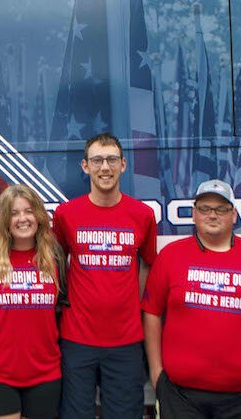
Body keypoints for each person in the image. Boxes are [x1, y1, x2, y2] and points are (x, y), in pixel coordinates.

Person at [143, 179, 241, 418]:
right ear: (194, 214)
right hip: (181, 397)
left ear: (234, 214)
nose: (213, 215)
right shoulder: (170, 256)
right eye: (205, 208)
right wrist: (157, 374)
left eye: (221, 209)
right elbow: (151, 313)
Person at [52, 132, 158, 419]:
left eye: (111, 160)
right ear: (85, 167)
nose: (105, 168)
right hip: (76, 338)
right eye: (97, 160)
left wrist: (131, 303)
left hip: (126, 339)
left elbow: (147, 264)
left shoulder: (142, 214)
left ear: (123, 164)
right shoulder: (66, 214)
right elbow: (56, 261)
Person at [0, 185, 64, 419]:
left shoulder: (54, 256)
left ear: (39, 216)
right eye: (14, 213)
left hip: (45, 373)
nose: (23, 219)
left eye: (29, 211)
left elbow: (60, 312)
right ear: (4, 220)